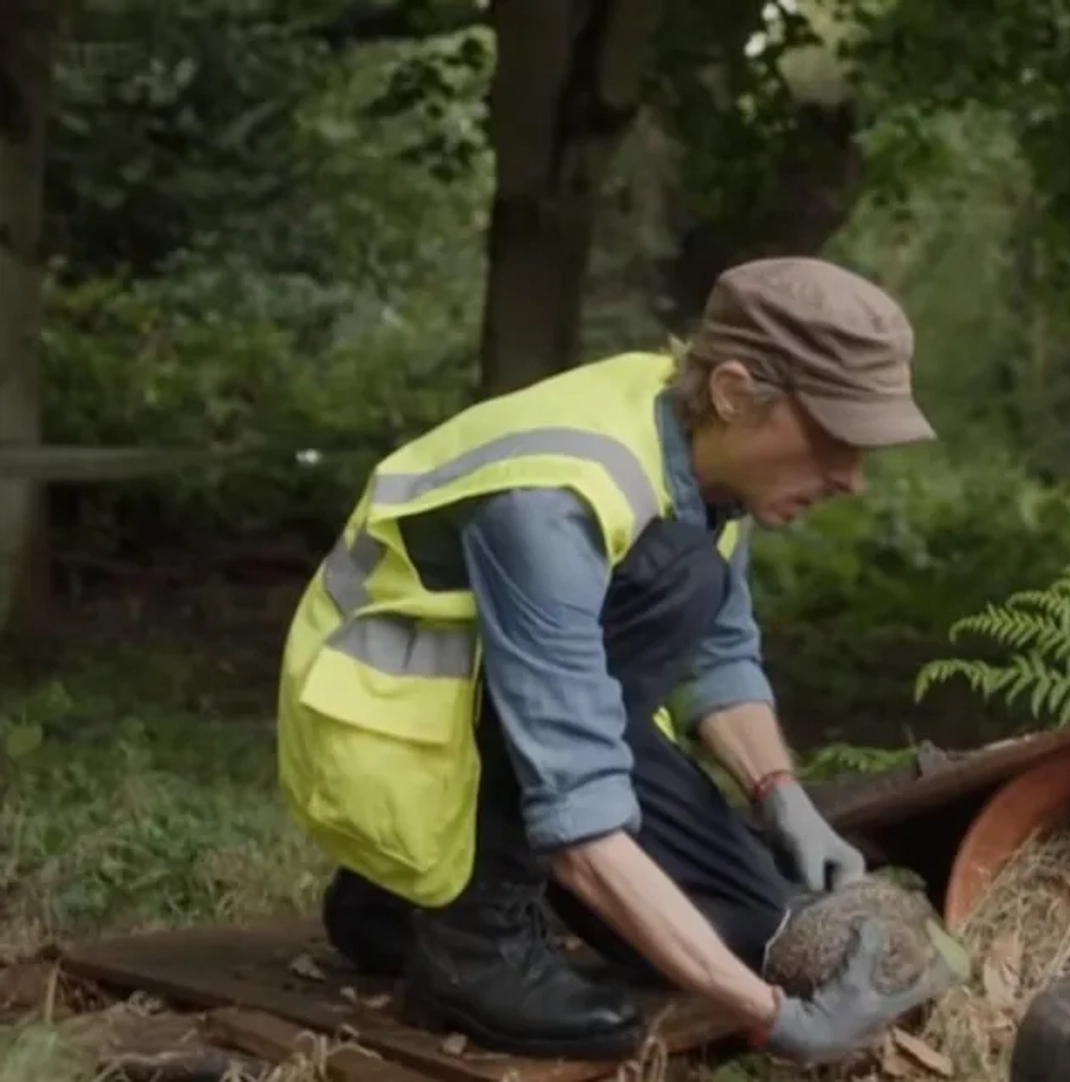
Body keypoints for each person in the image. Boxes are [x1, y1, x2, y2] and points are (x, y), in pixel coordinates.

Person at [274, 257, 951, 1065]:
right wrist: (769, 1016)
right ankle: (474, 945)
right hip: (388, 737)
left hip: (519, 713)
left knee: (742, 925)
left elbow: (722, 650)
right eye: (834, 439)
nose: (852, 478)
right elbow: (577, 813)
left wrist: (783, 798)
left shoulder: (697, 447)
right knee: (704, 944)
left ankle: (391, 898)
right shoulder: (554, 500)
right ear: (735, 391)